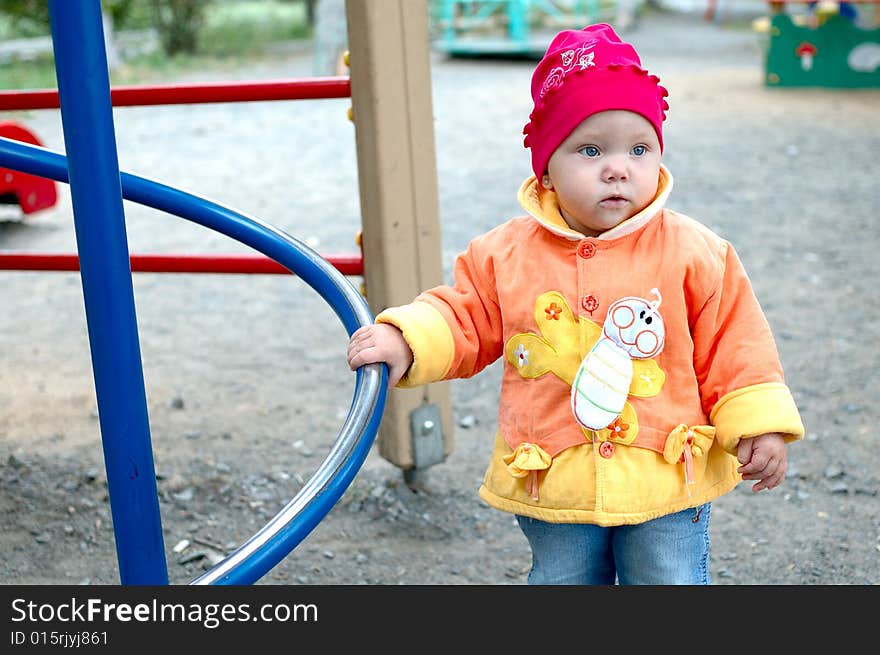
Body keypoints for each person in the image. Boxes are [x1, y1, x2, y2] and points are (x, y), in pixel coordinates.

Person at [347, 23, 805, 585]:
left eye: (639, 148)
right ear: (546, 167)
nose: (618, 167)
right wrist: (408, 337)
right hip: (555, 470)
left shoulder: (695, 250)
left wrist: (758, 424)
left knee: (669, 577)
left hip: (664, 473)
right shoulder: (506, 253)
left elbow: (736, 342)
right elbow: (465, 313)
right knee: (562, 579)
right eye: (591, 150)